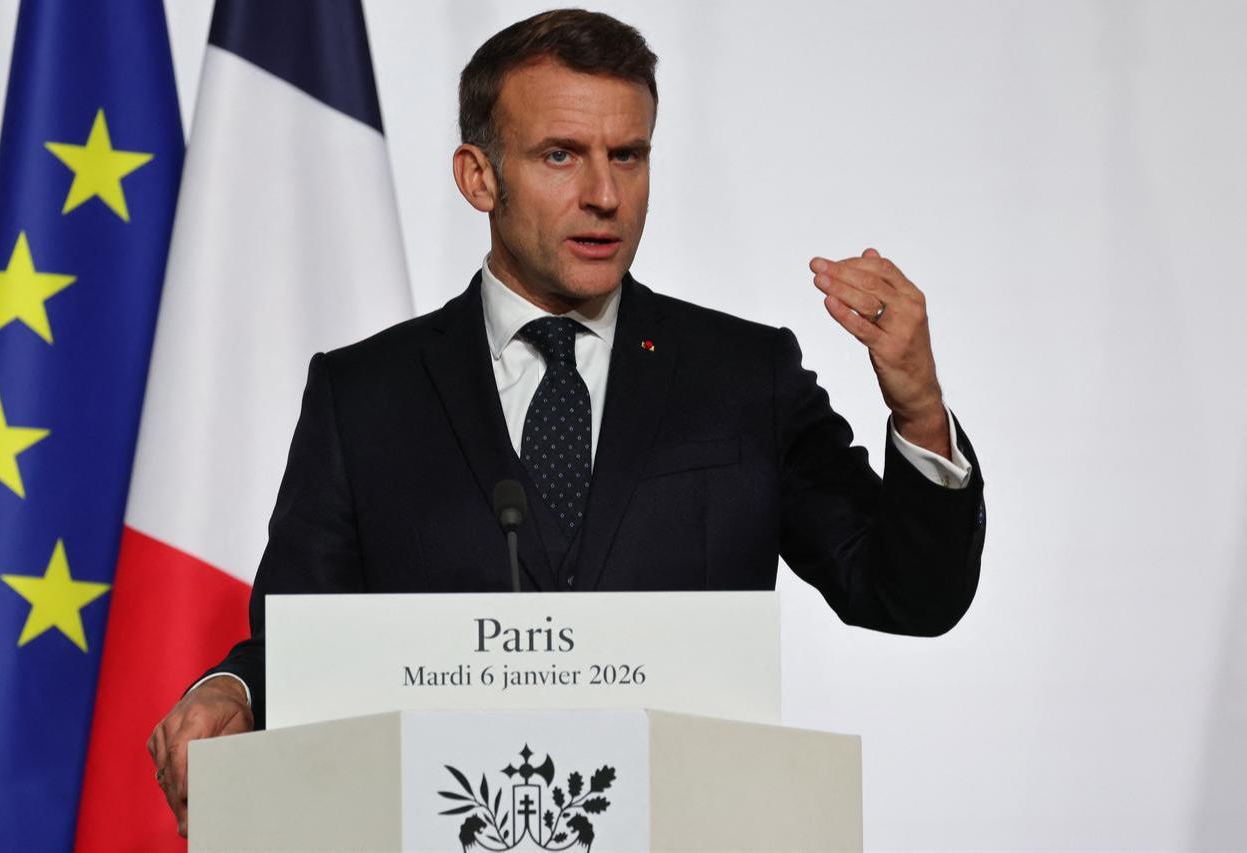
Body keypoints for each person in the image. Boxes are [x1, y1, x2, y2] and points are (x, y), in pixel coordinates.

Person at [148, 9, 986, 837]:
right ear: (479, 176)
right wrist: (235, 691)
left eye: (629, 155)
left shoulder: (743, 377)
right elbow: (303, 640)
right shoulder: (364, 393)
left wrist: (916, 403)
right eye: (561, 155)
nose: (605, 195)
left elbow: (909, 593)